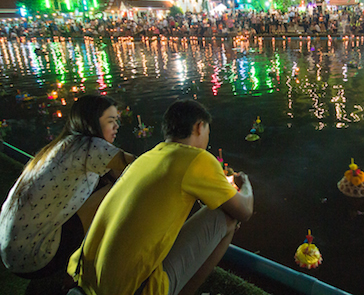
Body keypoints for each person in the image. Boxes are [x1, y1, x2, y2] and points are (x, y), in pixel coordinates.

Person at [68, 100, 254, 295]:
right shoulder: (196, 158)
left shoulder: (146, 158)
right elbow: (244, 211)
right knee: (226, 217)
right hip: (130, 291)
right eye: (208, 131)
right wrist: (245, 184)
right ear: (199, 127)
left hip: (83, 280)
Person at [0, 95, 134, 280]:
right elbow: (140, 166)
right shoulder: (89, 146)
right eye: (111, 121)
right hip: (36, 257)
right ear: (92, 123)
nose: (116, 126)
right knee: (121, 185)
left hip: (12, 253)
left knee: (109, 179)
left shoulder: (62, 146)